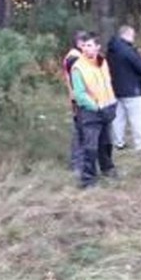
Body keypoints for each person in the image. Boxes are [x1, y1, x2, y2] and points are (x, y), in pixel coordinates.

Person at [71, 32, 118, 189]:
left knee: (106, 142)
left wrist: (111, 102)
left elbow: (108, 83)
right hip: (91, 112)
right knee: (90, 147)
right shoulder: (78, 67)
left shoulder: (103, 62)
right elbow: (79, 94)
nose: (86, 49)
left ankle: (107, 168)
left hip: (107, 107)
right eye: (84, 45)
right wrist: (95, 106)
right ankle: (88, 179)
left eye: (89, 45)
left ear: (97, 47)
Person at [106, 25, 141, 151]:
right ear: (126, 34)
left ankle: (118, 142)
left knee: (118, 118)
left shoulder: (111, 49)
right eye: (132, 35)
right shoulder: (127, 49)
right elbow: (140, 66)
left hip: (115, 88)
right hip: (132, 89)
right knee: (137, 118)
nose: (133, 38)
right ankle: (140, 144)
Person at [62, 31, 89, 175]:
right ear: (79, 43)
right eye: (85, 44)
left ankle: (78, 162)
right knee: (80, 131)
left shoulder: (74, 56)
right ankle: (77, 164)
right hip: (78, 98)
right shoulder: (74, 58)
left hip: (77, 98)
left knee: (81, 131)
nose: (88, 48)